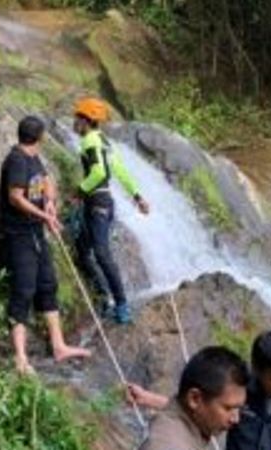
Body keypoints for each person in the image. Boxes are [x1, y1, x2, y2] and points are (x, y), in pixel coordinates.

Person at [0, 115, 91, 375]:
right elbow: (15, 198)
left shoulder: (33, 158)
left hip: (35, 234)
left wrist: (49, 202)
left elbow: (46, 180)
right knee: (23, 291)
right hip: (18, 236)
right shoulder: (16, 160)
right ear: (39, 138)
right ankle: (20, 359)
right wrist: (43, 216)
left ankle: (59, 345)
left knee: (48, 285)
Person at [72, 97, 149, 324]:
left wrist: (79, 191)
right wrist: (137, 197)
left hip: (97, 205)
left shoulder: (90, 142)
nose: (74, 122)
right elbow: (120, 172)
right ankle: (103, 299)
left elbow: (99, 174)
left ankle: (121, 304)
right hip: (101, 204)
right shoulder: (104, 141)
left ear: (85, 120)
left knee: (101, 254)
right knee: (83, 251)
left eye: (77, 118)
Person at [127, 346, 249, 450]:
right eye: (228, 408)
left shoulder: (185, 426)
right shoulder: (169, 444)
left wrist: (149, 399)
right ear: (195, 399)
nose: (235, 419)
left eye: (238, 408)